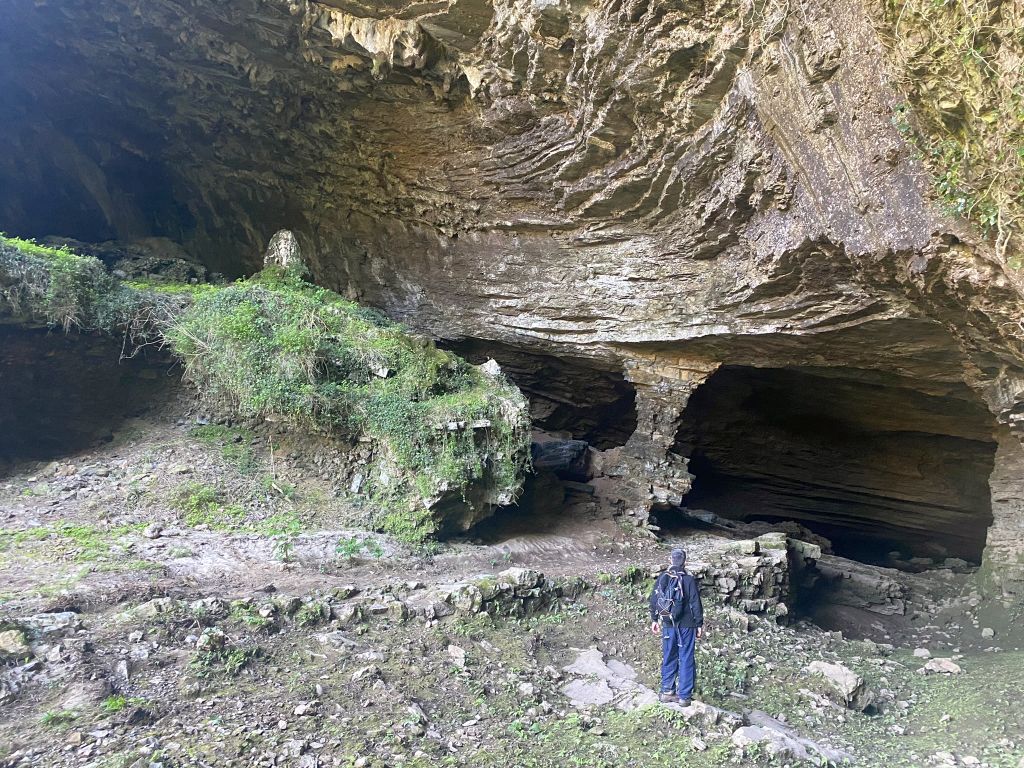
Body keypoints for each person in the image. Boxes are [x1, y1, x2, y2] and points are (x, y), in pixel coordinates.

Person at [648, 547, 704, 705]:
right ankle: (684, 697)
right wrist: (699, 623)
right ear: (685, 561)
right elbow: (695, 603)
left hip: (668, 624)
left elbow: (654, 599)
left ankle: (667, 691)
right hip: (687, 625)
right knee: (686, 657)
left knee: (669, 655)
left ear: (670, 560)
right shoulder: (688, 580)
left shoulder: (663, 577)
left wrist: (654, 619)